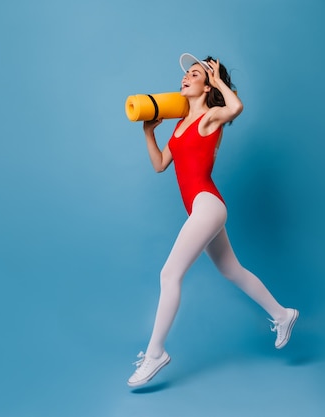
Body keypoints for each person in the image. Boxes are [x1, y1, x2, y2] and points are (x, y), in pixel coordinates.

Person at [127, 53, 298, 388]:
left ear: (207, 86)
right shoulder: (179, 126)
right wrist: (149, 133)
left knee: (169, 274)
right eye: (186, 74)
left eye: (195, 74)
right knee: (230, 270)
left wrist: (217, 76)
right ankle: (282, 314)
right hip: (202, 208)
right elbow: (161, 164)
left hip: (208, 205)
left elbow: (236, 108)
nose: (186, 78)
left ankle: (155, 354)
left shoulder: (210, 118)